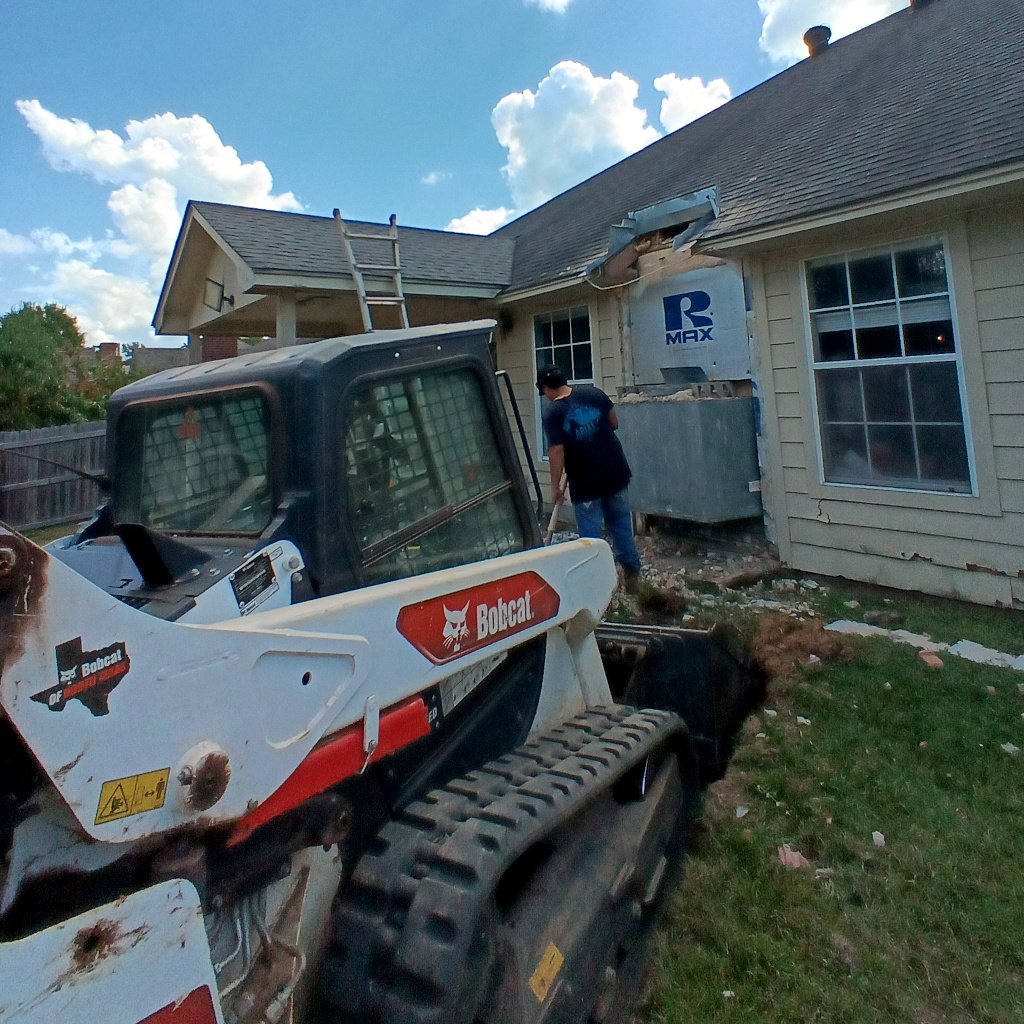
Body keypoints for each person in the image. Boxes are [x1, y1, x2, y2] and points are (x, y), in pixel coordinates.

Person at [536, 365, 642, 584]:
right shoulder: (594, 393)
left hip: (586, 483)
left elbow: (556, 451)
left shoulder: (553, 413)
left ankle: (598, 583)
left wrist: (554, 487)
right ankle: (633, 576)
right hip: (616, 472)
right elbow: (614, 423)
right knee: (621, 525)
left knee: (591, 538)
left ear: (546, 388)